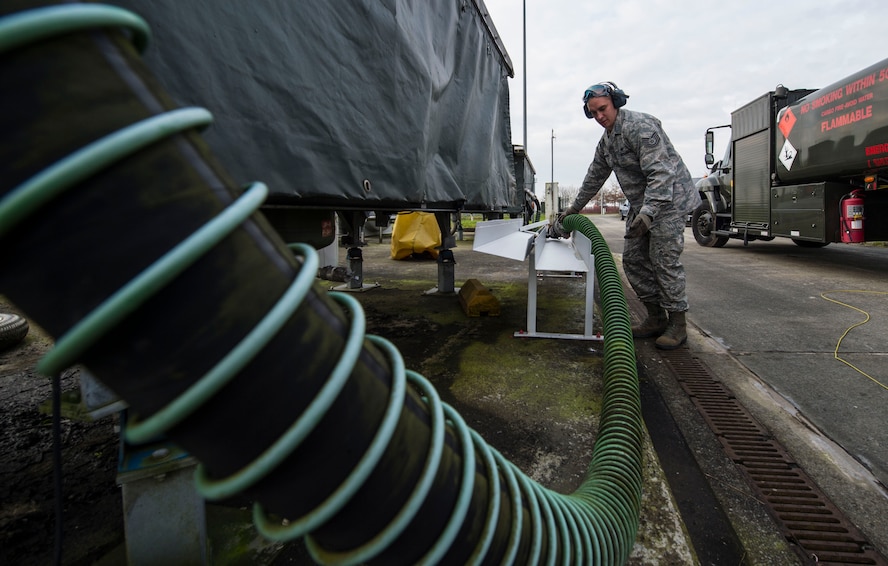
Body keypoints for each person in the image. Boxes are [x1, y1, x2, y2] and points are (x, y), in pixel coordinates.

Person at [559, 82, 701, 349]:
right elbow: (594, 178)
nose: (600, 116)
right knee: (634, 260)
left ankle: (678, 324)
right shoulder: (607, 142)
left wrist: (648, 213)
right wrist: (573, 210)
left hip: (669, 200)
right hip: (643, 204)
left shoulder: (641, 127)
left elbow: (661, 173)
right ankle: (656, 318)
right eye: (594, 113)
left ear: (615, 102)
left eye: (603, 109)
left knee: (663, 261)